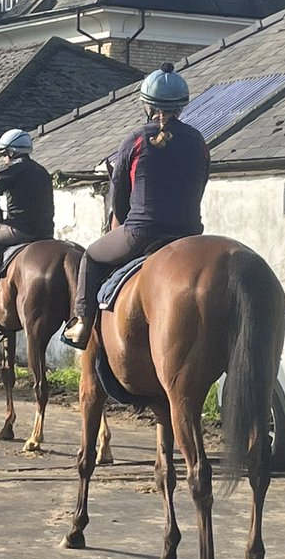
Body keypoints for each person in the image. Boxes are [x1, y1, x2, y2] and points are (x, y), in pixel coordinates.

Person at [62, 63, 210, 348]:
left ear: (147, 105)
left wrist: (124, 221)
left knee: (91, 257)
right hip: (188, 234)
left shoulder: (137, 139)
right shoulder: (198, 141)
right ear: (182, 106)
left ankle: (81, 324)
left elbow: (119, 193)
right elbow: (201, 185)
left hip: (141, 233)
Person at [0, 129, 54, 285]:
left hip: (20, 231)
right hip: (46, 232)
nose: (3, 158)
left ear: (11, 152)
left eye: (3, 153)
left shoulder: (12, 169)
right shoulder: (42, 171)